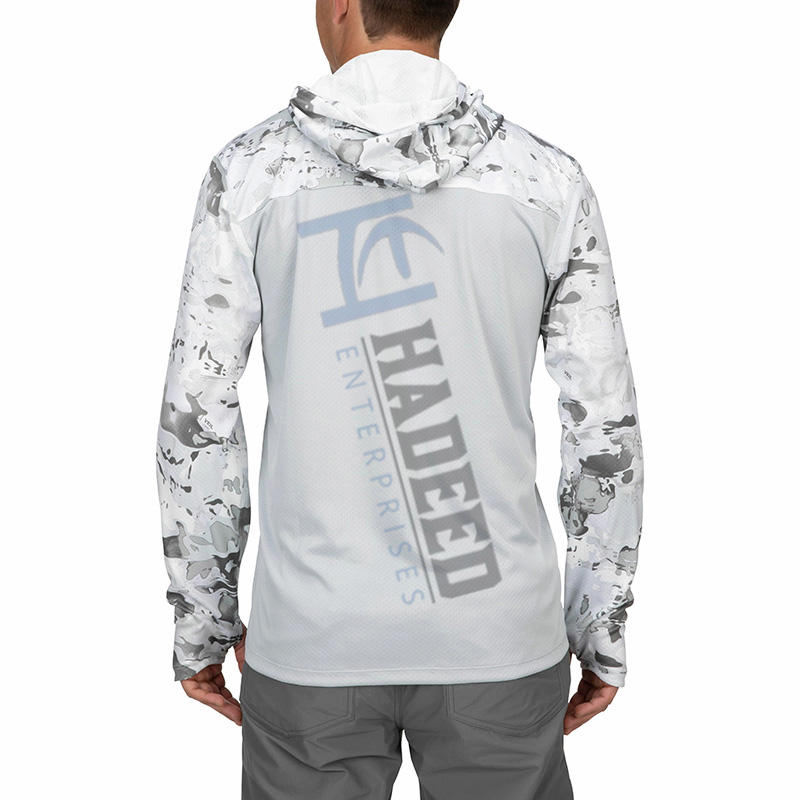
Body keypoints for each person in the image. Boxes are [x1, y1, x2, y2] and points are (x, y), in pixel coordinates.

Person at [155, 1, 644, 797]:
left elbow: (197, 416)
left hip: (313, 637)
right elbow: (603, 428)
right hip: (496, 634)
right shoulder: (545, 179)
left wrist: (202, 622)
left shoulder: (249, 174)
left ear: (341, 5)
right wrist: (601, 627)